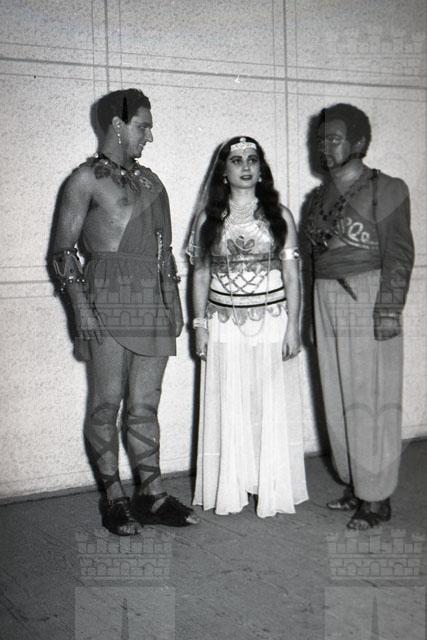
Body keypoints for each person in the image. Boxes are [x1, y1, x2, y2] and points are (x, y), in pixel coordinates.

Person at [52, 88, 198, 534]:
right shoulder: (84, 180)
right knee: (105, 403)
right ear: (117, 124)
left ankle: (152, 493)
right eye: (143, 126)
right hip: (106, 299)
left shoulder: (153, 183)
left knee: (145, 404)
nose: (149, 136)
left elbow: (164, 251)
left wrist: (173, 302)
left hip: (151, 301)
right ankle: (114, 497)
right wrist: (81, 309)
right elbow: (62, 252)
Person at [305, 103, 414, 529]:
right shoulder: (317, 198)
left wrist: (388, 308)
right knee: (337, 398)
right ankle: (356, 483)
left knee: (372, 399)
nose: (324, 147)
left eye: (333, 139)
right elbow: (310, 261)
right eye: (321, 140)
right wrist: (308, 319)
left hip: (366, 293)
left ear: (360, 142)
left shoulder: (387, 188)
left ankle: (377, 499)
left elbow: (400, 253)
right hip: (325, 296)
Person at [188, 136, 309, 518]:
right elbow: (200, 275)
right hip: (224, 325)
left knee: (268, 404)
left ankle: (271, 486)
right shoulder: (208, 219)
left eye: (252, 159)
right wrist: (199, 326)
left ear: (261, 168)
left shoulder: (280, 216)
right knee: (231, 403)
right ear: (223, 171)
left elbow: (292, 275)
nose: (245, 166)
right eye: (237, 160)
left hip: (271, 322)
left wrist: (294, 327)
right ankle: (233, 486)